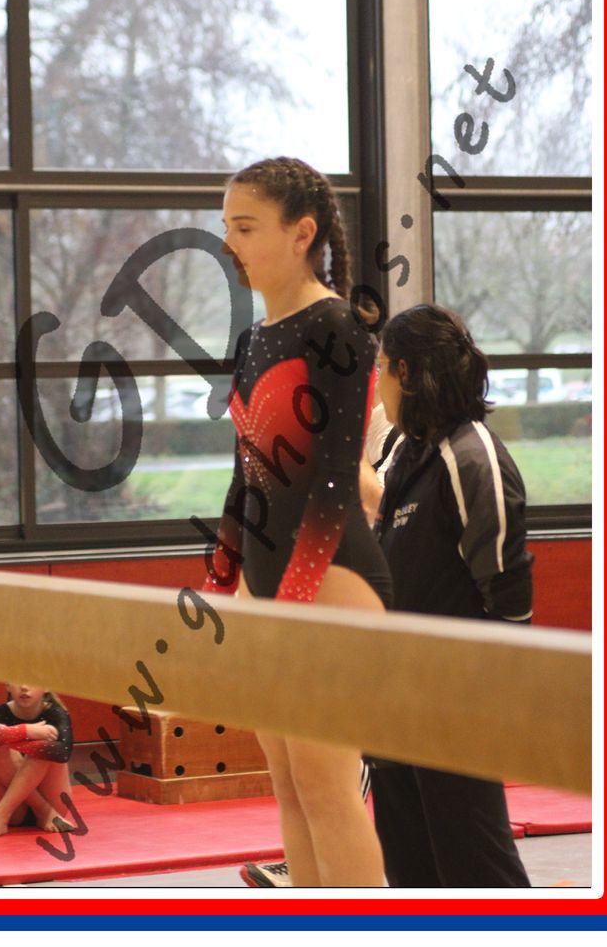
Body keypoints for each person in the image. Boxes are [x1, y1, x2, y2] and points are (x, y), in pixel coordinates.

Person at [205, 156, 392, 888]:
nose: (230, 244)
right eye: (226, 228)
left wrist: (293, 597)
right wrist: (221, 584)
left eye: (246, 228)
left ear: (301, 233)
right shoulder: (254, 339)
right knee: (286, 785)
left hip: (333, 574)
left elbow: (337, 478)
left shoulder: (338, 326)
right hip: (269, 577)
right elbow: (245, 478)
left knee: (325, 787)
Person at [371, 303, 533, 887]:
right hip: (393, 691)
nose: (378, 384)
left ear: (406, 373)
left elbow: (509, 593)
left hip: (454, 696)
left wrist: (487, 693)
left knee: (475, 865)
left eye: (382, 368)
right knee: (410, 869)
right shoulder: (404, 450)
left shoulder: (471, 454)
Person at [0, 682, 73, 839]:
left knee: (45, 748)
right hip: (15, 812)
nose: (24, 687)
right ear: (7, 686)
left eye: (31, 680)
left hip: (54, 802)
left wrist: (12, 738)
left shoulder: (56, 713)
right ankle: (41, 812)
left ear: (46, 687)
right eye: (17, 680)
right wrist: (25, 731)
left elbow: (63, 753)